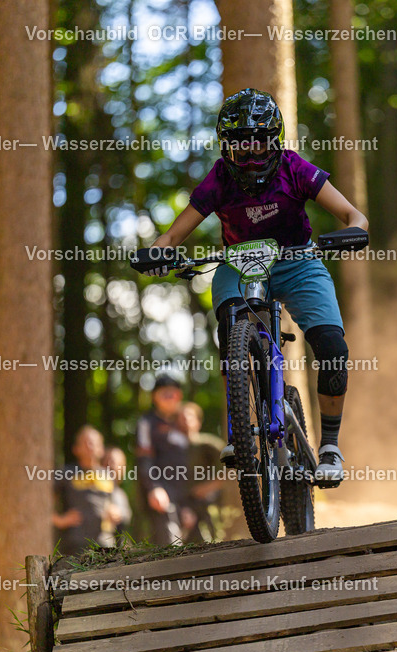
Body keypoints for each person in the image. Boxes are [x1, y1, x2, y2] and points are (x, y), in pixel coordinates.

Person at [142, 88, 368, 483]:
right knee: (230, 328)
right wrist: (159, 253)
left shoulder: (295, 168)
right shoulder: (218, 180)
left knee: (332, 347)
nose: (249, 158)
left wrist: (351, 232)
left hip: (298, 261)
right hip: (239, 263)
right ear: (225, 147)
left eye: (258, 146)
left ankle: (330, 445)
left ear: (274, 142)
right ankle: (241, 429)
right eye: (239, 148)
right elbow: (173, 236)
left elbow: (354, 214)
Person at [135, 375, 191, 546]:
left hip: (186, 498)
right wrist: (154, 487)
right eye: (163, 394)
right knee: (169, 545)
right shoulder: (147, 422)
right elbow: (144, 458)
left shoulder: (184, 422)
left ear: (179, 396)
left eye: (172, 394)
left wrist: (191, 502)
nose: (169, 398)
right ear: (154, 397)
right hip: (162, 497)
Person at [51, 425, 121, 556]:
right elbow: (42, 501)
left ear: (101, 449)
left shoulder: (108, 475)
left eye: (94, 442)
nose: (90, 446)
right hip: (75, 542)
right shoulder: (66, 473)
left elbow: (116, 502)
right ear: (76, 449)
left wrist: (116, 510)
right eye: (86, 442)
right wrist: (59, 520)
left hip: (105, 542)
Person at [178, 402, 226, 543]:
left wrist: (209, 487)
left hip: (206, 503)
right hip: (181, 504)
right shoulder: (171, 449)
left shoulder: (207, 444)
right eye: (181, 417)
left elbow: (232, 464)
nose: (185, 420)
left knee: (211, 541)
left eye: (189, 416)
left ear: (198, 421)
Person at [102, 446, 133, 544]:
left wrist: (119, 515)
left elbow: (127, 518)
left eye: (114, 462)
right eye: (107, 461)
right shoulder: (93, 488)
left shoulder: (121, 494)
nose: (109, 466)